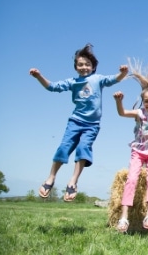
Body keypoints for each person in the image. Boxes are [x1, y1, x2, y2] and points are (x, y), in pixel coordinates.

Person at [30, 43, 128, 201]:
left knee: (83, 148)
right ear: (76, 67)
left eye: (87, 64)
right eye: (80, 65)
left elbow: (114, 79)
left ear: (93, 66)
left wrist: (122, 73)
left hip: (92, 125)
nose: (84, 67)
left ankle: (73, 181)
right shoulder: (72, 82)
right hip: (75, 121)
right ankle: (51, 178)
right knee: (63, 147)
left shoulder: (98, 79)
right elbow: (52, 87)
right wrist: (39, 76)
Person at [113, 60, 148, 233]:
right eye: (147, 101)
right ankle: (124, 218)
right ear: (143, 101)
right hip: (138, 151)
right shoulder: (139, 113)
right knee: (131, 179)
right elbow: (122, 113)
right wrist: (119, 101)